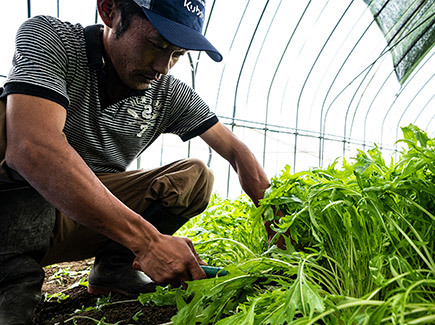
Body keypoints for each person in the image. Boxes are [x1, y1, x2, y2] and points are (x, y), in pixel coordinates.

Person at [0, 0, 280, 323]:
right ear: (109, 11)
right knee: (12, 123)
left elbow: (236, 150)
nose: (163, 66)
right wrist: (148, 242)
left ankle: (114, 269)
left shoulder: (167, 93)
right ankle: (12, 285)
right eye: (156, 45)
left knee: (195, 178)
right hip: (17, 211)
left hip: (77, 218)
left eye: (177, 54)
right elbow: (31, 147)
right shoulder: (52, 39)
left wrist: (274, 213)